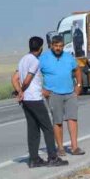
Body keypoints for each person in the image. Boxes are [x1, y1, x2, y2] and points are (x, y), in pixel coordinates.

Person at [11, 37, 67, 168]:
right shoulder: (35, 61)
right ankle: (53, 157)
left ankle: (34, 159)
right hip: (34, 99)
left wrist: (19, 91)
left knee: (33, 129)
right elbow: (27, 80)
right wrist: (21, 91)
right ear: (41, 48)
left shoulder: (23, 59)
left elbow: (14, 79)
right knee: (47, 128)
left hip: (26, 100)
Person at [39, 34, 85, 157]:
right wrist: (41, 89)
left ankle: (75, 147)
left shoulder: (69, 57)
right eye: (56, 46)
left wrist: (79, 85)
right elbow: (35, 74)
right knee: (57, 121)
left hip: (70, 92)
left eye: (61, 46)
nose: (58, 48)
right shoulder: (43, 59)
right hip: (53, 94)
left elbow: (77, 70)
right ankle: (60, 148)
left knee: (72, 119)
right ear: (51, 46)